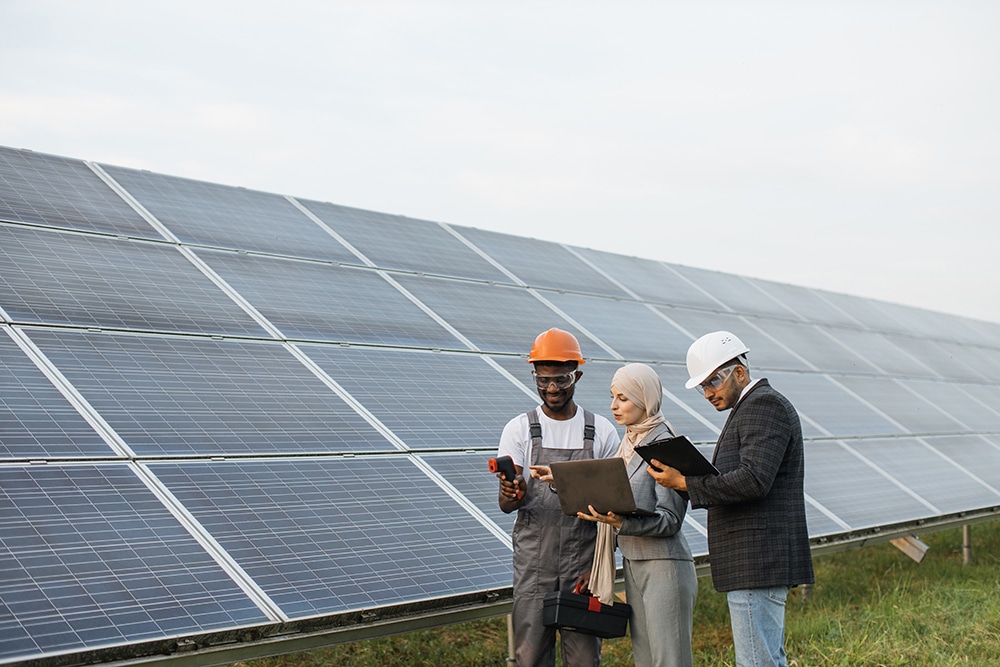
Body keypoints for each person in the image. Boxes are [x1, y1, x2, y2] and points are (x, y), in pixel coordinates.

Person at [647, 331, 814, 667]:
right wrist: (682, 482)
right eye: (702, 387)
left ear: (739, 372)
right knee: (765, 659)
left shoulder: (763, 406)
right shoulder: (749, 409)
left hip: (757, 562)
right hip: (754, 563)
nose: (708, 393)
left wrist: (688, 483)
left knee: (757, 662)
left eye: (713, 382)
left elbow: (754, 480)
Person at [496, 327, 621, 667]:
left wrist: (597, 569)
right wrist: (513, 493)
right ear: (534, 374)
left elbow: (614, 509)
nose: (551, 389)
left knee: (584, 659)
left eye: (562, 380)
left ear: (577, 375)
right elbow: (506, 504)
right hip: (534, 565)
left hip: (582, 564)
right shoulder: (519, 429)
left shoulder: (600, 431)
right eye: (543, 379)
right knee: (530, 657)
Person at [576, 363, 697, 667]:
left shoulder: (666, 444)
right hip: (632, 562)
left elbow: (670, 519)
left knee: (670, 661)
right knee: (644, 660)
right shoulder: (629, 443)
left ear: (646, 399)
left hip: (664, 566)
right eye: (613, 396)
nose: (613, 406)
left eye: (623, 398)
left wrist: (622, 523)